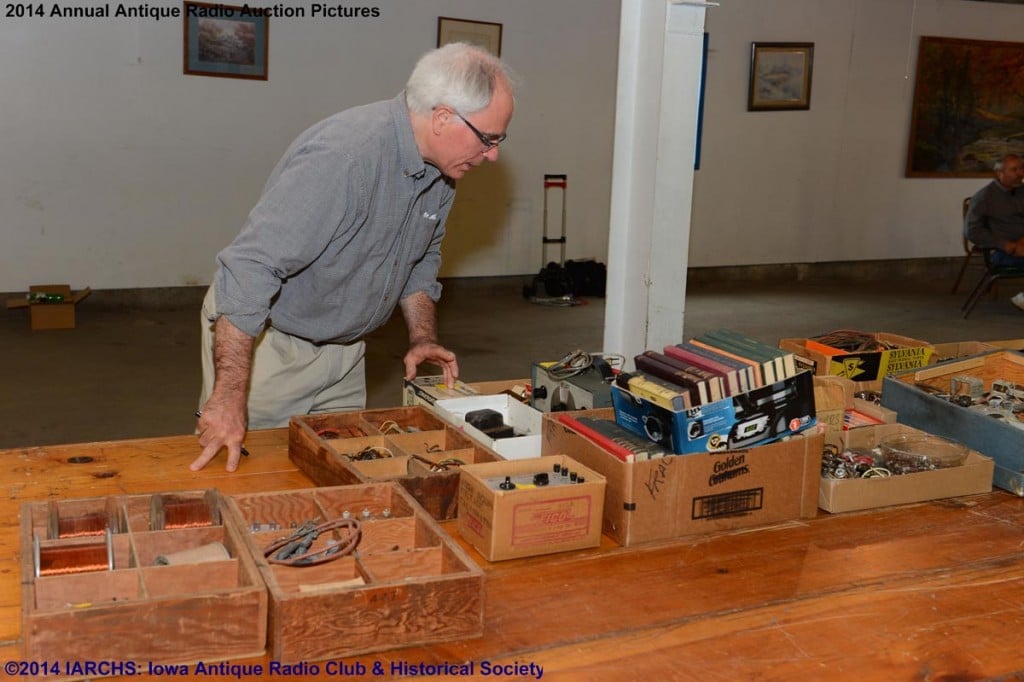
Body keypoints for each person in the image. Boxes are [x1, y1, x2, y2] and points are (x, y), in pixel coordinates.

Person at [192, 43, 516, 472]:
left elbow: (419, 259)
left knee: (339, 476)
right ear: (442, 117)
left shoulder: (441, 172)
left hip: (345, 354)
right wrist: (231, 394)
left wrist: (422, 336)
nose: (492, 154)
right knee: (250, 479)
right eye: (489, 139)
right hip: (271, 346)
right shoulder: (345, 158)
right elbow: (251, 268)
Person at [964, 153, 1024, 310]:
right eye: (1014, 169)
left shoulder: (1021, 191)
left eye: (1021, 168)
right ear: (999, 173)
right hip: (1004, 252)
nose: (1020, 173)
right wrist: (1006, 245)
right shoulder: (984, 197)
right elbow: (972, 231)